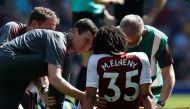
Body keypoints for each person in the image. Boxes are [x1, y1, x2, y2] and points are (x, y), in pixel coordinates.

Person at [0, 18, 98, 109]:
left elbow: (30, 68)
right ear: (73, 32)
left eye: (91, 44)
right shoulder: (59, 40)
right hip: (6, 61)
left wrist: (42, 89)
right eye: (86, 40)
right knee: (64, 62)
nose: (87, 47)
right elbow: (55, 79)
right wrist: (86, 97)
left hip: (12, 75)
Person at [82, 25, 155, 109]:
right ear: (121, 40)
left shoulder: (96, 60)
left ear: (98, 44)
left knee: (83, 99)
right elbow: (146, 96)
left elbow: (90, 97)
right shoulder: (141, 57)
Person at [0, 6, 59, 108]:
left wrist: (44, 91)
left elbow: (34, 70)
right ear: (34, 25)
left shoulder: (39, 45)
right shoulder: (13, 27)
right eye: (48, 32)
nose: (51, 37)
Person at [118, 14, 175, 107]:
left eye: (133, 42)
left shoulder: (158, 39)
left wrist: (160, 103)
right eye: (125, 40)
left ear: (143, 32)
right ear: (120, 32)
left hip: (152, 91)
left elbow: (168, 74)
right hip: (122, 92)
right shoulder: (111, 37)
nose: (128, 45)